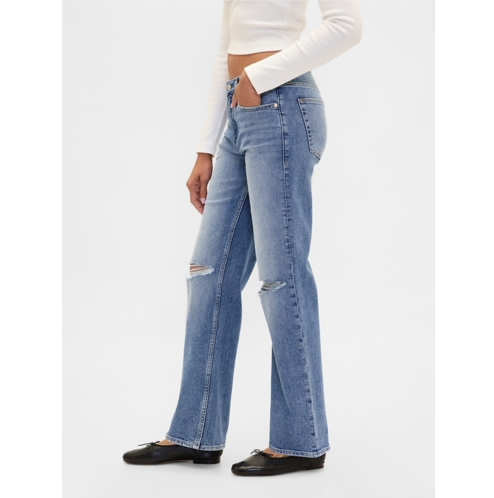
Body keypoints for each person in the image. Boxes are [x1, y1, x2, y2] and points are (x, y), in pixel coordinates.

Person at [123, 0, 362, 477]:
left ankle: (301, 440)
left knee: (282, 277)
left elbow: (347, 25)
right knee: (208, 273)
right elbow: (225, 48)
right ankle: (195, 433)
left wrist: (260, 76)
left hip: (282, 106)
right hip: (241, 112)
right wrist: (205, 147)